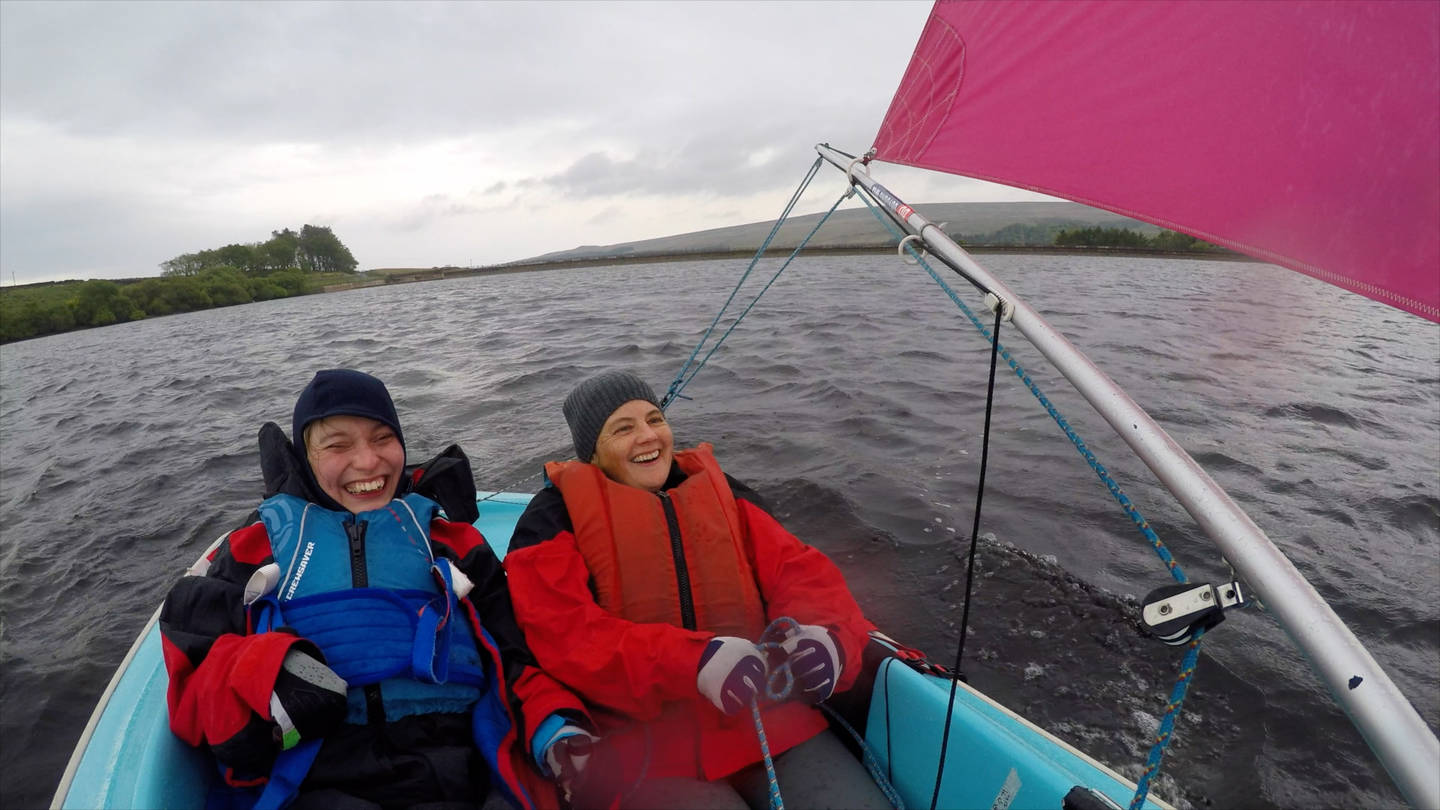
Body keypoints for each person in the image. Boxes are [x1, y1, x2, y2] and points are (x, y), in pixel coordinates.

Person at [161, 369, 594, 810]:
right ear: (304, 457)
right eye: (337, 445)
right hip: (314, 776)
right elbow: (193, 680)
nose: (369, 462)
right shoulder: (254, 548)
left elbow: (514, 653)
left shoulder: (451, 541)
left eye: (383, 438)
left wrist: (553, 728)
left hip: (461, 766)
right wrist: (267, 671)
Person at [502, 370, 891, 810]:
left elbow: (800, 571)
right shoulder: (552, 519)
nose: (648, 437)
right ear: (593, 452)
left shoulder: (724, 492)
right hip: (646, 750)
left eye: (655, 419)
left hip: (770, 722)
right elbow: (560, 631)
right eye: (623, 428)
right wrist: (691, 662)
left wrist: (829, 637)